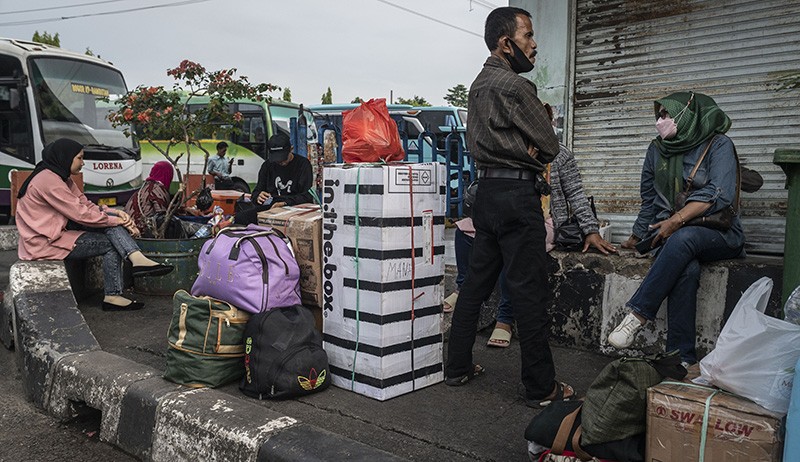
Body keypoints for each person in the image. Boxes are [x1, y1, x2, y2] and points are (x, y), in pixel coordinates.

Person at [445, 6, 575, 408]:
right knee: (527, 291)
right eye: (528, 36)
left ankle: (457, 367)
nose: (534, 46)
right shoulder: (517, 88)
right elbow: (551, 146)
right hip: (518, 199)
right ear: (506, 44)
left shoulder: (477, 86)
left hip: (485, 195)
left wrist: (527, 149)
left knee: (475, 285)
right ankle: (541, 388)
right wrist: (531, 150)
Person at [608, 91, 745, 366]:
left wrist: (676, 220)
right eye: (659, 115)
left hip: (717, 233)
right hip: (669, 236)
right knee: (686, 269)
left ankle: (636, 316)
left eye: (667, 114)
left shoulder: (718, 145)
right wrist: (636, 236)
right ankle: (680, 360)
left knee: (683, 237)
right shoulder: (656, 149)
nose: (661, 120)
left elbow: (721, 193)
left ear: (689, 117)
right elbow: (649, 200)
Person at [16, 138, 174, 311]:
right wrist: (117, 220)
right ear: (66, 157)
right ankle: (117, 289)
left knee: (111, 228)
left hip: (58, 235)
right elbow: (80, 214)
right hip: (44, 243)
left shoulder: (61, 177)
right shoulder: (48, 180)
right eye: (80, 158)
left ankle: (134, 264)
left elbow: (86, 205)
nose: (83, 163)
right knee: (111, 242)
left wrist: (116, 213)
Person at [232, 132, 314, 225]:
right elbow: (256, 192)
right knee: (240, 217)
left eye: (283, 159)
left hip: (294, 208)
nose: (280, 162)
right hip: (271, 207)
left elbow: (307, 196)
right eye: (277, 160)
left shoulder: (303, 164)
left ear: (291, 149)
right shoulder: (267, 165)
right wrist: (258, 196)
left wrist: (284, 203)